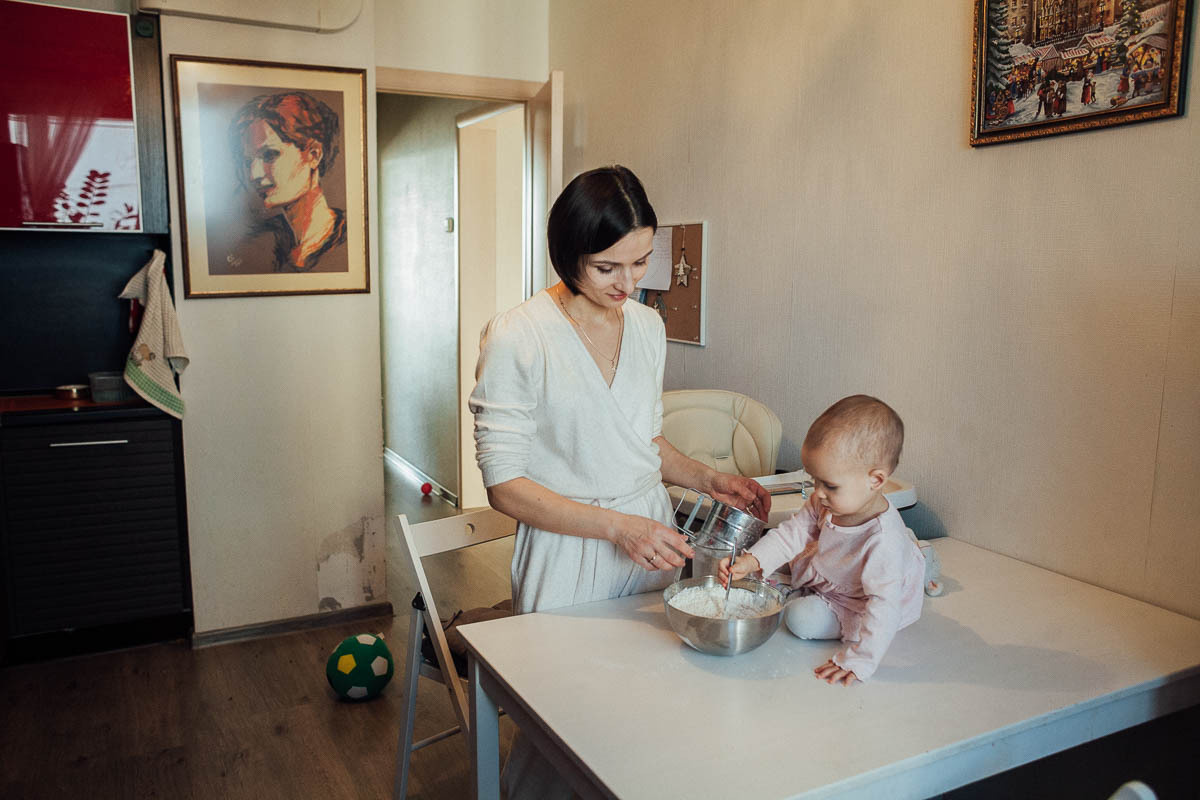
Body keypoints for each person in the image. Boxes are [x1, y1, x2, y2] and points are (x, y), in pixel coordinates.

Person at [470, 165, 771, 795]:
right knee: (565, 727)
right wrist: (616, 527)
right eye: (608, 267)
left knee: (649, 720)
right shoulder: (519, 336)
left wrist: (709, 477)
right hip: (568, 551)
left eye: (641, 262)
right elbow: (505, 486)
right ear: (568, 253)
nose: (628, 283)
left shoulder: (649, 328)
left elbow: (642, 442)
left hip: (651, 542)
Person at [720, 395, 925, 686]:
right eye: (814, 480)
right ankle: (917, 554)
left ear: (876, 480)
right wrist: (752, 559)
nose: (818, 492)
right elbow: (792, 533)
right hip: (839, 571)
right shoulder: (824, 502)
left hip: (860, 600)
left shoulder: (883, 541)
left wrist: (859, 661)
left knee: (800, 619)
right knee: (796, 557)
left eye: (829, 485)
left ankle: (918, 560)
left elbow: (883, 607)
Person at [229, 92, 346, 272]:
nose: (254, 174)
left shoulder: (350, 240)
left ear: (314, 155)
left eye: (269, 155)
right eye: (248, 162)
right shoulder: (260, 244)